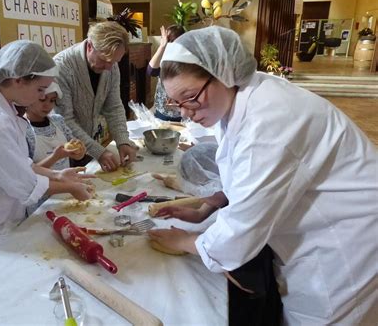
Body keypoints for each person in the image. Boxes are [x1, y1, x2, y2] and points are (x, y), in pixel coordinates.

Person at [148, 26, 378, 325]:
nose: (186, 112)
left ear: (223, 72)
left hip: (347, 240)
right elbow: (252, 175)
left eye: (190, 97)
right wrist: (210, 204)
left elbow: (241, 231)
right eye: (177, 104)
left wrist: (186, 242)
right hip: (321, 225)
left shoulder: (268, 122)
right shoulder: (242, 97)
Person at [0, 40, 95, 268]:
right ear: (18, 80)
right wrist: (71, 187)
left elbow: (22, 165)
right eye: (40, 90)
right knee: (0, 282)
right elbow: (25, 185)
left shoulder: (3, 107)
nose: (41, 97)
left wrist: (58, 176)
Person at [154, 143, 282, 326]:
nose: (201, 198)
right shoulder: (232, 181)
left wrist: (184, 241)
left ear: (217, 183)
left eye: (203, 193)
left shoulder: (246, 211)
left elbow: (243, 273)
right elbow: (220, 193)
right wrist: (197, 214)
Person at [53, 21, 137, 172]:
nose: (109, 67)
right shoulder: (62, 67)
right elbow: (64, 120)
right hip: (60, 151)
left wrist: (123, 141)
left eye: (115, 62)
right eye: (104, 61)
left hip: (87, 142)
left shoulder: (111, 65)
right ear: (90, 46)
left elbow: (114, 107)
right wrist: (98, 151)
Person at [25, 82, 86, 171]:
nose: (47, 105)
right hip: (44, 184)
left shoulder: (58, 121)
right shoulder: (24, 130)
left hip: (66, 180)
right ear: (28, 99)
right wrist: (55, 157)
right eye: (42, 99)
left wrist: (79, 152)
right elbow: (28, 173)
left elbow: (75, 153)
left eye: (52, 100)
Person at [148, 25, 185, 122]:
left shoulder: (187, 61)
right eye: (164, 39)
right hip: (162, 111)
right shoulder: (164, 58)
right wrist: (162, 46)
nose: (166, 42)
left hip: (183, 113)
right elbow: (151, 71)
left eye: (169, 40)